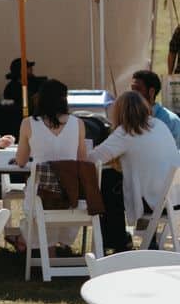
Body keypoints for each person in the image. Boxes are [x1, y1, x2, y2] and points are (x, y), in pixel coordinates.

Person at [89, 90, 179, 243]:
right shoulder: (158, 125)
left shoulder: (126, 132)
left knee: (107, 184)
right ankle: (121, 240)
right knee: (112, 182)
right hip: (172, 197)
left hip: (153, 200)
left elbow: (93, 158)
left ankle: (117, 241)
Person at [12, 78, 87, 253]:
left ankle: (45, 248)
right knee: (53, 193)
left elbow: (21, 161)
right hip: (71, 196)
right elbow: (82, 160)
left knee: (40, 193)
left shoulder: (28, 123)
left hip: (42, 195)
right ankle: (52, 246)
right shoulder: (78, 124)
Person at [130, 69, 180, 146]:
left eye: (138, 89)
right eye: (132, 89)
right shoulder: (130, 118)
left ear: (151, 92)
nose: (132, 94)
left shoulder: (171, 121)